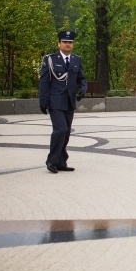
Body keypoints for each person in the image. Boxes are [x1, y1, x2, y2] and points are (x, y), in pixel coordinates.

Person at [39, 30, 87, 173]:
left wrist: (83, 89)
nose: (68, 44)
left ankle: (61, 162)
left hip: (69, 102)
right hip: (55, 101)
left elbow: (82, 78)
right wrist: (43, 102)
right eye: (65, 42)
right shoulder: (50, 60)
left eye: (70, 42)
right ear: (59, 43)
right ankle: (51, 161)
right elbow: (44, 82)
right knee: (60, 130)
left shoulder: (76, 60)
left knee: (66, 133)